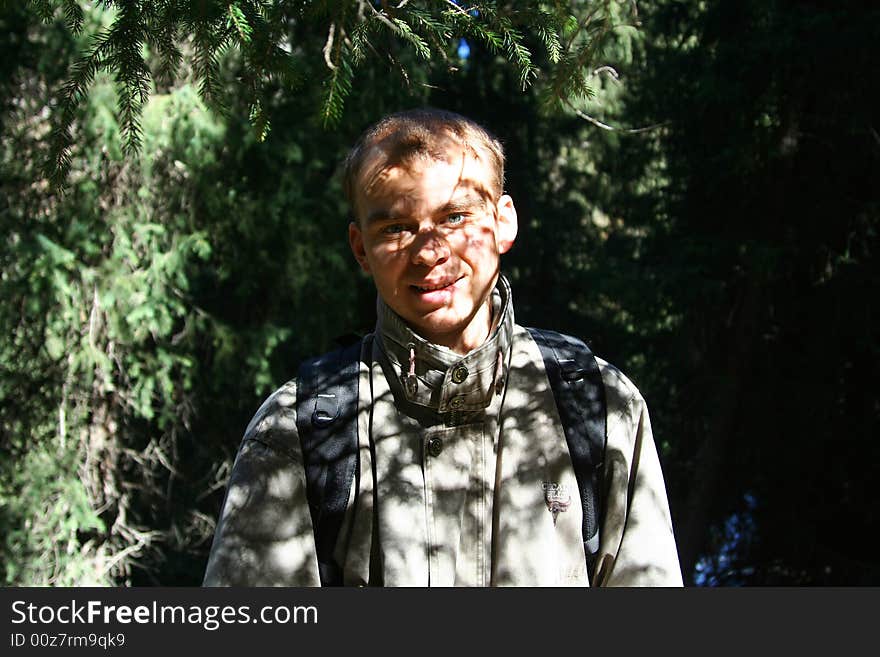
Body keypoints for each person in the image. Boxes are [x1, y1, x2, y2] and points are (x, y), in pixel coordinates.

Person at [203, 108, 683, 586]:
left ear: (503, 221)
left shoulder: (599, 407)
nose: (430, 252)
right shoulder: (298, 430)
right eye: (395, 228)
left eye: (454, 217)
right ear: (360, 248)